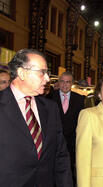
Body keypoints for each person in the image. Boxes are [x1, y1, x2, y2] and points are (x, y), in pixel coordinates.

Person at [0, 48, 73, 186]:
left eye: (47, 73)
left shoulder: (50, 109)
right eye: (42, 72)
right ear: (22, 73)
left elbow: (60, 156)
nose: (47, 78)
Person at [51, 71, 85, 185]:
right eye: (62, 81)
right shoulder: (50, 97)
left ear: (72, 83)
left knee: (69, 171)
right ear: (59, 82)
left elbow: (82, 122)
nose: (65, 85)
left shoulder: (80, 99)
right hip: (53, 142)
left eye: (68, 82)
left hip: (72, 144)